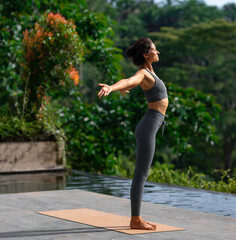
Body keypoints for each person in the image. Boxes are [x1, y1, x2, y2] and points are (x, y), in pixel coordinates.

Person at [97, 37, 168, 230]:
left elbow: (132, 84)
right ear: (146, 54)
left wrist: (126, 87)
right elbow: (130, 80)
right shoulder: (143, 73)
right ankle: (135, 219)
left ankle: (136, 218)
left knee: (142, 174)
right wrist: (112, 87)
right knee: (141, 175)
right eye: (155, 49)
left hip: (150, 126)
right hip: (147, 128)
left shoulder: (150, 74)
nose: (158, 52)